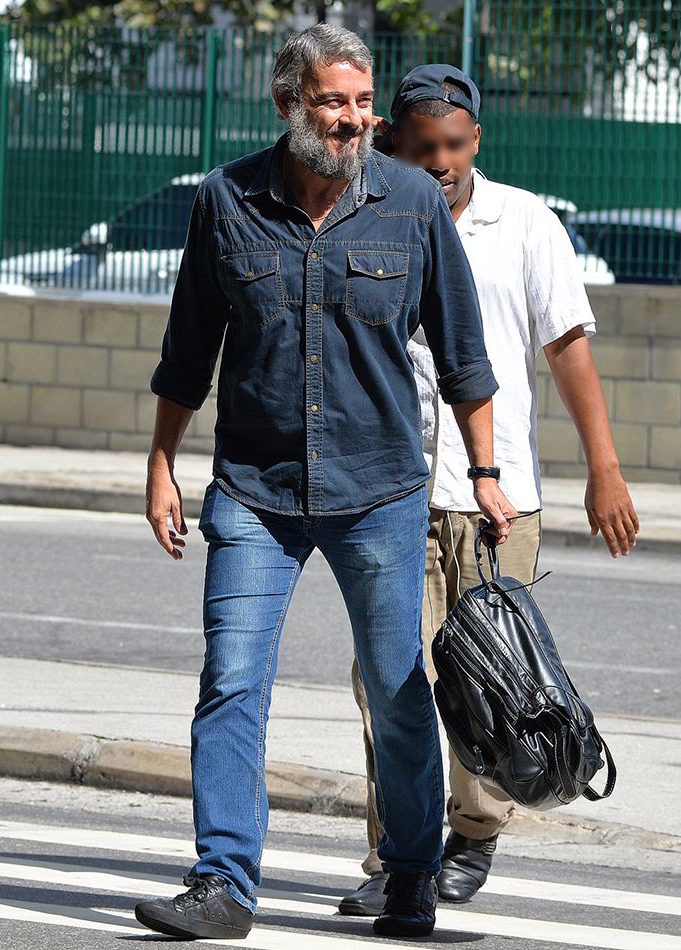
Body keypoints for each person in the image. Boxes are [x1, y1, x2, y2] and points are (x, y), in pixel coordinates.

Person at [135, 32, 515, 941]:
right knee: (231, 681)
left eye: (360, 101)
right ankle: (223, 881)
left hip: (379, 489)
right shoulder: (227, 200)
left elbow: (465, 356)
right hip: (255, 492)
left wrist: (490, 473)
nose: (352, 119)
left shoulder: (414, 200)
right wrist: (159, 466)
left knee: (396, 688)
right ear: (289, 106)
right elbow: (188, 352)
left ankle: (413, 872)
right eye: (331, 102)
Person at [339, 64, 640, 917]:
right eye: (421, 145)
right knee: (387, 677)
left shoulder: (528, 223)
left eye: (454, 144)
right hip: (389, 492)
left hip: (498, 494)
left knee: (491, 680)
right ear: (392, 141)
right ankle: (397, 855)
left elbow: (568, 348)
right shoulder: (367, 214)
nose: (438, 160)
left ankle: (473, 834)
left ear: (476, 139)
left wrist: (604, 468)